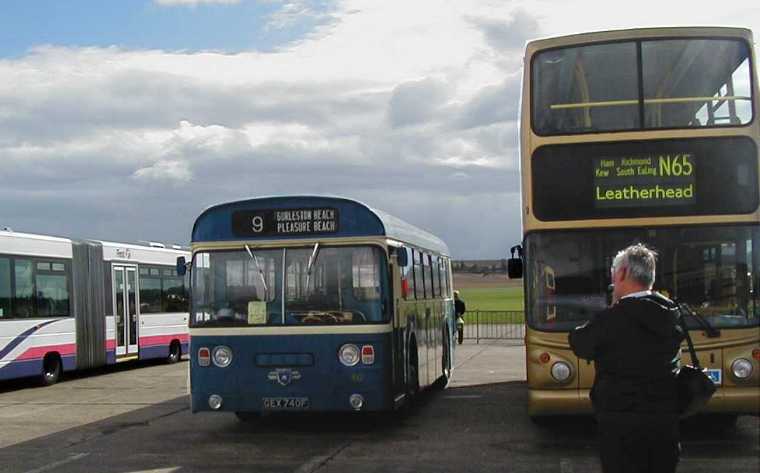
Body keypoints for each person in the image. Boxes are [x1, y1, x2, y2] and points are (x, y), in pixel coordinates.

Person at [568, 244, 685, 473]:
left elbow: (580, 343)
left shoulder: (615, 318)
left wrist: (612, 307)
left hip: (621, 425)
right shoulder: (671, 312)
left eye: (614, 271)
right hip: (665, 423)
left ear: (621, 274)